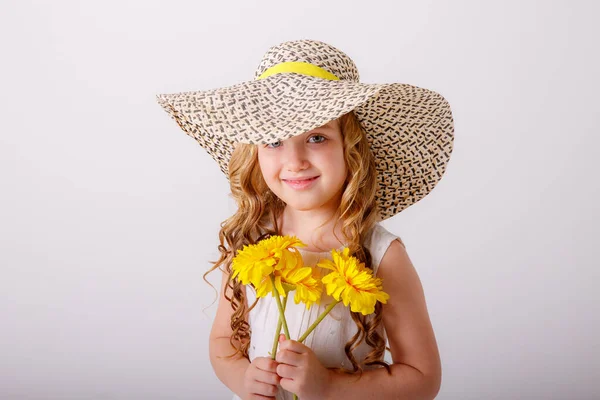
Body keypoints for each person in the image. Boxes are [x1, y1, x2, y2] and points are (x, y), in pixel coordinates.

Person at [156, 39, 454, 400]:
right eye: (273, 140)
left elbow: (422, 377)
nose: (295, 160)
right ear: (254, 154)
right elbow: (223, 342)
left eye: (316, 137)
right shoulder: (252, 241)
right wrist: (242, 378)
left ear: (351, 150)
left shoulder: (380, 255)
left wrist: (329, 386)